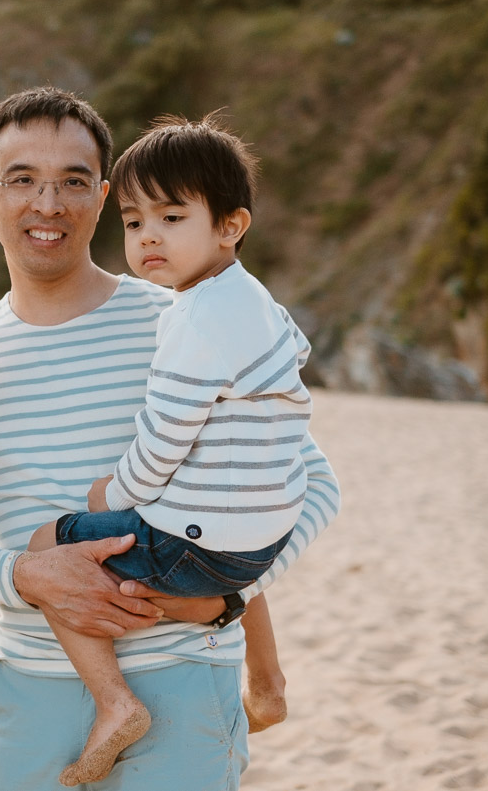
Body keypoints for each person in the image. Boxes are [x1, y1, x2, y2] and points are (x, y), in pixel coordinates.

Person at [0, 87, 341, 791]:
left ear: (103, 196)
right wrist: (26, 575)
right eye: (22, 180)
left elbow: (310, 482)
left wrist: (221, 598)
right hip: (32, 694)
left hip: (186, 680)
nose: (48, 203)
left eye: (74, 181)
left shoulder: (182, 320)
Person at [25, 113, 310, 785]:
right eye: (132, 221)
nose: (148, 235)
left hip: (206, 541)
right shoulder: (256, 301)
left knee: (48, 549)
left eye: (172, 217)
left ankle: (114, 701)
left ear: (230, 225)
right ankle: (261, 676)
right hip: (262, 540)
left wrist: (110, 493)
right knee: (156, 560)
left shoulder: (194, 317)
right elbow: (295, 356)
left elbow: (161, 443)